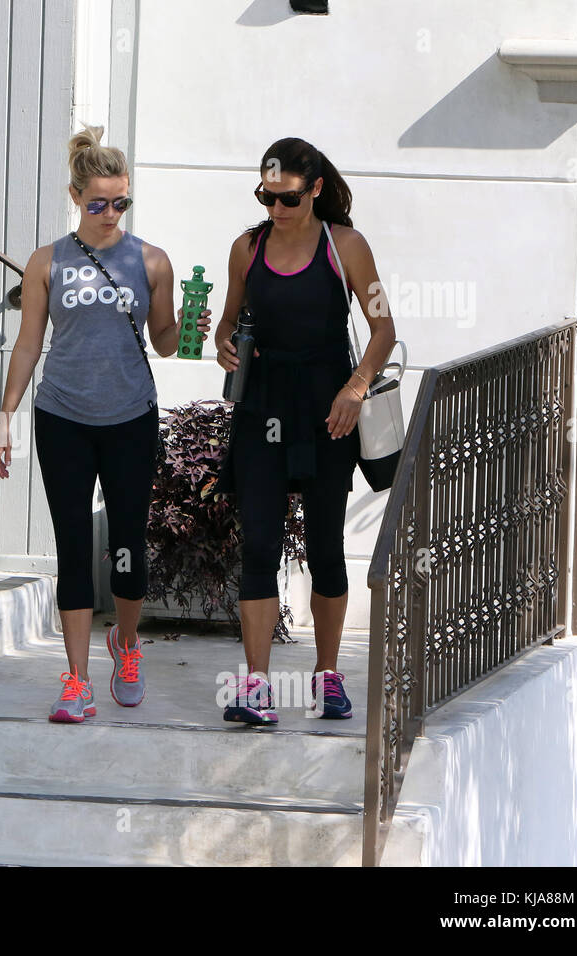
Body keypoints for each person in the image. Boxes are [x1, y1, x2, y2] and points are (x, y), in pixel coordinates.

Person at [0, 125, 211, 723]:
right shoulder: (47, 262)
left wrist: (191, 326)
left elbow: (164, 343)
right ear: (75, 195)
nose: (110, 214)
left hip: (129, 418)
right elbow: (29, 342)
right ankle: (77, 681)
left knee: (127, 546)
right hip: (61, 414)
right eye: (97, 203)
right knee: (70, 546)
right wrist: (6, 413)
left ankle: (128, 647)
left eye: (121, 202)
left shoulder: (151, 260)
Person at [213, 137, 397, 725]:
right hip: (263, 404)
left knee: (326, 548)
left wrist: (355, 387)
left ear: (315, 189)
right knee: (259, 544)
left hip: (328, 408)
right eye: (266, 196)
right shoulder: (247, 247)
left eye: (287, 198)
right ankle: (258, 686)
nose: (275, 208)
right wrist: (223, 346)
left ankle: (328, 676)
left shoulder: (348, 247)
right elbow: (228, 320)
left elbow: (383, 329)